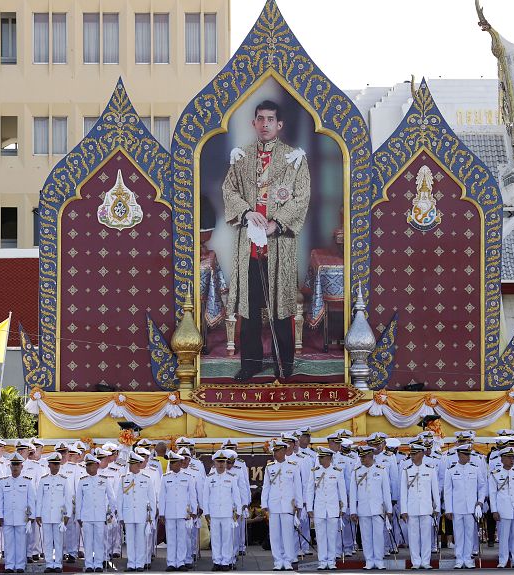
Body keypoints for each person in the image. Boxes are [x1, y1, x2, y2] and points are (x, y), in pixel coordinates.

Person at [223, 99, 311, 382]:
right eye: (260, 119)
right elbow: (229, 191)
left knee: (280, 309)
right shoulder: (242, 156)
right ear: (253, 123)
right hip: (248, 246)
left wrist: (278, 223)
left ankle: (283, 364)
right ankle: (250, 364)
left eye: (270, 119)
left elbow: (301, 197)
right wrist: (247, 213)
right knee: (248, 311)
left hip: (279, 244)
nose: (265, 124)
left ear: (279, 124)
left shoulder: (293, 158)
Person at [261, 440, 303, 571]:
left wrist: (299, 504)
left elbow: (298, 487)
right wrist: (264, 504)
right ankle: (278, 561)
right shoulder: (270, 467)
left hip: (288, 506)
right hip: (274, 505)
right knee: (275, 535)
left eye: (278, 451)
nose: (275, 454)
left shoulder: (293, 466)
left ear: (284, 451)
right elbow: (266, 487)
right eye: (274, 451)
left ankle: (288, 560)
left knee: (288, 535)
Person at [349, 446, 392, 570]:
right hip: (363, 509)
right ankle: (369, 560)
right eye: (361, 457)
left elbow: (386, 492)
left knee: (378, 535)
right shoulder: (356, 471)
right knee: (366, 536)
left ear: (371, 456)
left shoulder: (381, 470)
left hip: (378, 509)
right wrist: (353, 510)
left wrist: (388, 509)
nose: (362, 459)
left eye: (364, 457)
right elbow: (353, 493)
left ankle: (378, 560)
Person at [443, 444, 484, 569]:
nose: (468, 457)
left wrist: (480, 501)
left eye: (469, 454)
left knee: (470, 534)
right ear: (459, 455)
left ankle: (468, 558)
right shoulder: (451, 470)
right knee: (459, 534)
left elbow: (482, 486)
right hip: (457, 508)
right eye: (466, 454)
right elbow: (447, 491)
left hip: (471, 508)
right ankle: (459, 558)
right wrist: (448, 509)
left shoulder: (475, 469)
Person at [400, 443, 440, 570]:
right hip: (412, 508)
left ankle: (426, 561)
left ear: (422, 454)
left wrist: (437, 508)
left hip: (426, 508)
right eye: (412, 453)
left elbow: (435, 491)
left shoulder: (430, 469)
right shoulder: (406, 471)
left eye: (415, 453)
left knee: (426, 536)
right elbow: (403, 493)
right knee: (413, 537)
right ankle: (416, 562)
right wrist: (404, 510)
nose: (412, 456)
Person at [305, 447, 346, 570]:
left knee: (332, 536)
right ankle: (322, 561)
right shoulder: (314, 471)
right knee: (321, 536)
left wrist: (343, 508)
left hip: (333, 509)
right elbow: (309, 490)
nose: (319, 460)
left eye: (321, 458)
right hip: (319, 508)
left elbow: (342, 491)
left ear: (328, 458)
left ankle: (331, 561)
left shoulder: (337, 471)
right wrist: (309, 507)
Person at [0, 453, 36, 574]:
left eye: (17, 464)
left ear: (22, 466)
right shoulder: (3, 482)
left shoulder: (27, 481)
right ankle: (9, 565)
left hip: (21, 517)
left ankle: (20, 565)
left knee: (21, 542)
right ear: (10, 466)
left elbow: (31, 500)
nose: (15, 467)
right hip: (7, 517)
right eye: (13, 464)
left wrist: (31, 516)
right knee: (8, 543)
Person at [158, 450, 197, 572]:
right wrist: (162, 513)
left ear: (180, 463)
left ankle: (180, 562)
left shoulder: (188, 477)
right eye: (171, 462)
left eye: (174, 462)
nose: (172, 464)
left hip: (183, 513)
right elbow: (162, 497)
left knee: (182, 538)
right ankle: (171, 562)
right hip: (169, 513)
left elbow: (192, 495)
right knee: (171, 538)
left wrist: (193, 510)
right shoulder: (165, 477)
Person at [488, 447, 514, 568]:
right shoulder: (495, 474)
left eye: (513, 457)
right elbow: (492, 493)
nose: (512, 459)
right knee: (503, 537)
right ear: (502, 459)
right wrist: (494, 510)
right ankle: (503, 560)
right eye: (509, 457)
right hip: (503, 509)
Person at [117, 452, 156, 573]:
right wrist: (120, 516)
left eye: (133, 464)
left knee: (141, 539)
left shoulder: (146, 479)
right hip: (128, 514)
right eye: (130, 464)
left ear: (139, 465)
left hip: (141, 514)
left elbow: (152, 499)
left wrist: (152, 517)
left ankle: (140, 563)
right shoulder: (124, 479)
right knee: (130, 539)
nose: (130, 466)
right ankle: (131, 563)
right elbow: (120, 499)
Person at [203, 450, 242, 571]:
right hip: (214, 512)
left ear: (226, 463)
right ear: (214, 462)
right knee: (215, 538)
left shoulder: (231, 477)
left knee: (227, 538)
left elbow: (236, 495)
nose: (221, 464)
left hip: (227, 513)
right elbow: (206, 496)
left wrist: (238, 511)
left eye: (223, 462)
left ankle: (226, 561)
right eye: (218, 462)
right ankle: (217, 561)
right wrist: (206, 512)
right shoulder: (209, 478)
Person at [76, 453, 115, 573]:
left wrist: (111, 513)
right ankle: (88, 564)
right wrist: (78, 516)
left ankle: (98, 563)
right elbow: (79, 500)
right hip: (86, 516)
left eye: (91, 465)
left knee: (99, 541)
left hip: (100, 516)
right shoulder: (82, 481)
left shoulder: (104, 480)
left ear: (97, 466)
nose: (88, 468)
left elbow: (111, 498)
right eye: (87, 465)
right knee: (88, 542)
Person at [35, 452, 72, 573]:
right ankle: (49, 563)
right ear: (49, 465)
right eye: (54, 464)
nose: (56, 466)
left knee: (58, 540)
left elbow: (68, 499)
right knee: (47, 541)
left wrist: (68, 515)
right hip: (46, 515)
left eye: (58, 464)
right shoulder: (43, 479)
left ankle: (58, 564)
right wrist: (38, 514)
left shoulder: (64, 480)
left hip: (59, 516)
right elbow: (39, 498)